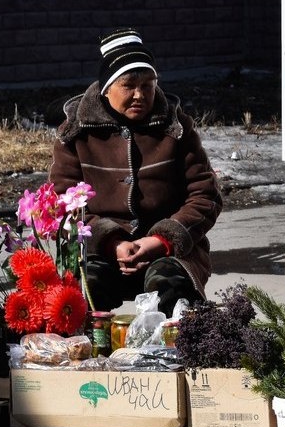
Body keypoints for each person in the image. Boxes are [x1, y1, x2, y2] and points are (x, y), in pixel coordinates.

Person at [51, 28, 223, 318]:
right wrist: (112, 243)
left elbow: (205, 196)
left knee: (171, 291)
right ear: (107, 88)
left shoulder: (176, 128)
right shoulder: (76, 133)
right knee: (78, 297)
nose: (140, 95)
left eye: (148, 84)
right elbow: (63, 201)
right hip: (100, 250)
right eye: (128, 85)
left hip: (167, 251)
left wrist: (160, 241)